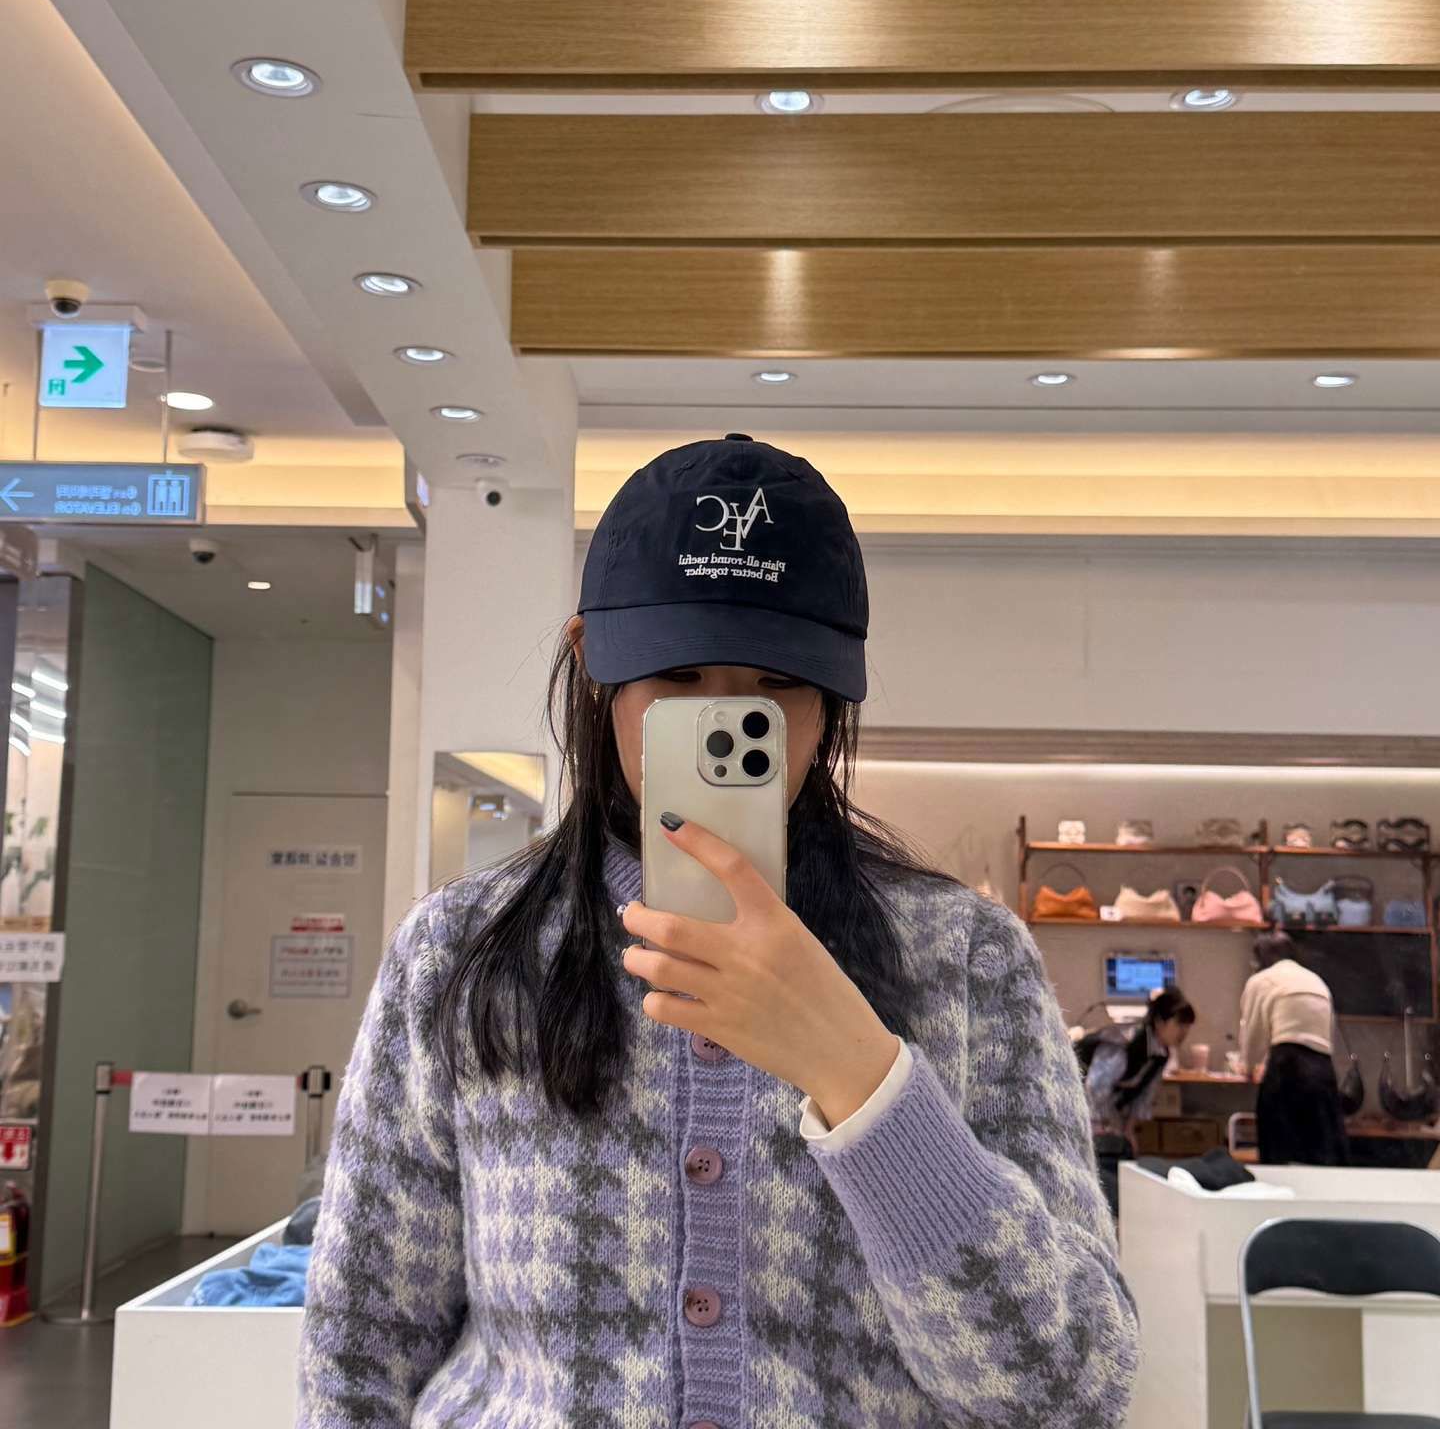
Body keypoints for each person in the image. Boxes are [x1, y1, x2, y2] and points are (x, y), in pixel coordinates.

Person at [297, 434, 1139, 1429]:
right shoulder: (459, 951)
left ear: (831, 700)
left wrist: (864, 1079)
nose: (727, 716)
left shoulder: (966, 958)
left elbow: (1070, 1390)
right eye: (680, 675)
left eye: (777, 684)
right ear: (594, 666)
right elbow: (360, 1347)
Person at [1082, 988, 1196, 1215]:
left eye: (1187, 1026)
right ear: (1161, 1021)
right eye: (1179, 1023)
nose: (1184, 1031)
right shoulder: (1125, 1041)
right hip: (1086, 1113)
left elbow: (1143, 1098)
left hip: (1111, 1119)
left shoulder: (1161, 1054)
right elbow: (1095, 1088)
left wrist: (1129, 1130)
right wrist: (1108, 1126)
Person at [1240, 930, 1349, 1165]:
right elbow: (1328, 1035)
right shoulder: (1316, 981)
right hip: (1323, 1068)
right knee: (1322, 1150)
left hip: (1286, 1065)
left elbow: (1253, 1031)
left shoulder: (1261, 980)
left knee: (1278, 1149)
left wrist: (1248, 1067)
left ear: (1260, 959)